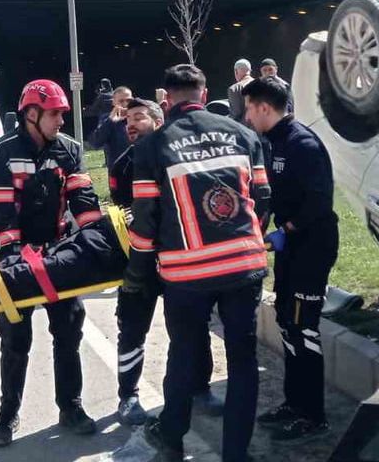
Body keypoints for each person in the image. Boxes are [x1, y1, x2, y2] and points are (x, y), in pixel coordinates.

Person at [126, 64, 271, 462]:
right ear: (204, 95)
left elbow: (145, 218)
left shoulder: (152, 146)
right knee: (243, 361)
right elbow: (263, 198)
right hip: (243, 267)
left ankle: (172, 439)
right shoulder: (243, 134)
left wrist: (138, 274)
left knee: (184, 354)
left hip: (186, 274)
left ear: (167, 100)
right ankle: (236, 454)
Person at [0, 79, 103, 446]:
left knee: (69, 332)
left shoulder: (69, 150)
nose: (61, 121)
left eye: (63, 114)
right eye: (55, 114)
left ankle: (71, 406)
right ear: (31, 114)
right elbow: (1, 219)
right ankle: (7, 415)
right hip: (16, 259)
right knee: (15, 339)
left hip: (59, 253)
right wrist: (20, 267)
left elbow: (83, 201)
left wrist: (95, 246)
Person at [108, 98, 221, 427]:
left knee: (193, 326)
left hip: (181, 259)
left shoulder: (179, 154)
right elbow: (123, 212)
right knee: (131, 328)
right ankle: (128, 395)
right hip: (139, 261)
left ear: (158, 121)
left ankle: (201, 388)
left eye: (139, 116)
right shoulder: (121, 167)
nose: (130, 123)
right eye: (127, 118)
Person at [243, 77, 339, 442]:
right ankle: (293, 403)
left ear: (264, 107)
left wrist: (289, 228)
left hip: (311, 249)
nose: (247, 115)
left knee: (304, 330)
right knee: (286, 323)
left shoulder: (302, 144)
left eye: (250, 108)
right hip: (290, 249)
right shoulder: (271, 142)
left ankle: (313, 415)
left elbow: (320, 201)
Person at [88, 85, 132, 176]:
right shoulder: (107, 119)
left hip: (139, 170)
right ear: (113, 102)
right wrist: (111, 121)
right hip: (117, 172)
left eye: (128, 100)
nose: (125, 104)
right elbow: (96, 142)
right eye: (121, 101)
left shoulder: (139, 118)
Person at [226, 59, 254, 123]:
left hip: (244, 129)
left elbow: (235, 114)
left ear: (236, 71)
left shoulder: (234, 89)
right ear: (250, 71)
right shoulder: (262, 85)